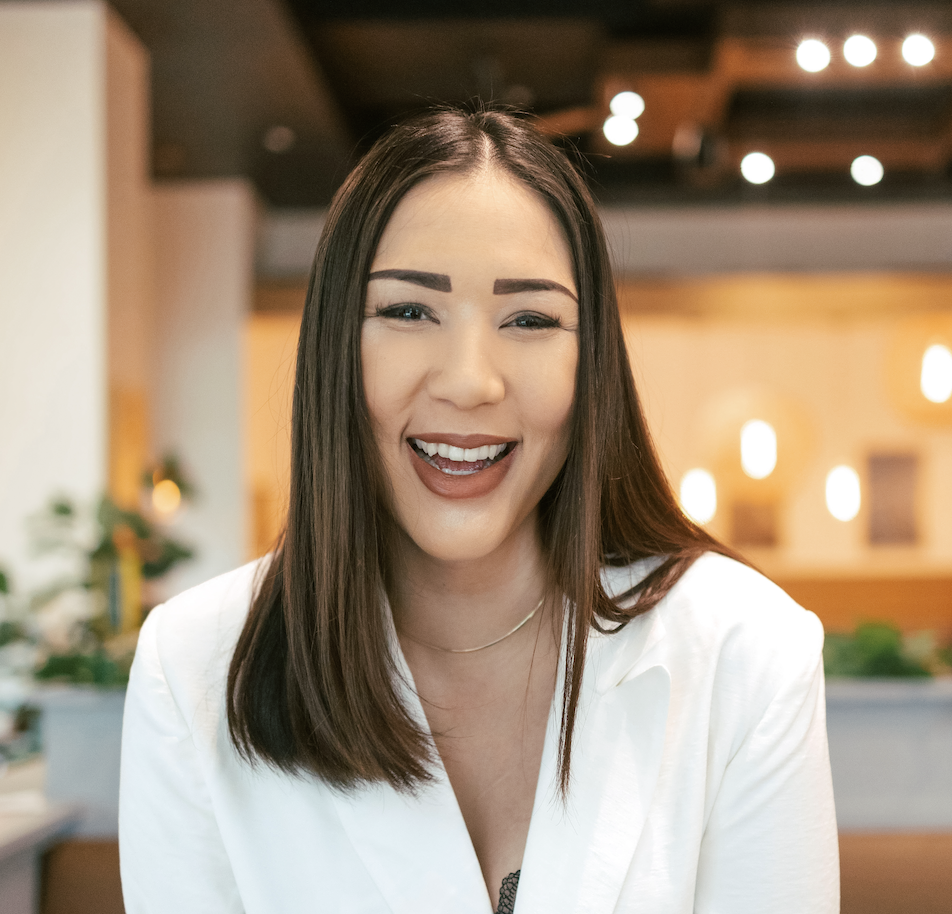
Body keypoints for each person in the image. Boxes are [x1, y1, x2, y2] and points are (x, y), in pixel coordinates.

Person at [119, 108, 839, 913]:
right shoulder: (194, 669)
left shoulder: (744, 652)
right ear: (334, 347)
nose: (469, 382)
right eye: (408, 311)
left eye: (530, 319)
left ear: (591, 363)